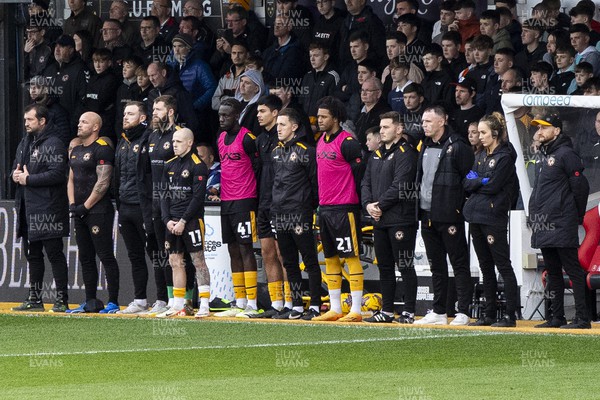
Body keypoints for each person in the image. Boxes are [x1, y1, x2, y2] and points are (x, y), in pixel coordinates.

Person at [529, 113, 591, 329]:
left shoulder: (566, 154)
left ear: (557, 131)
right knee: (553, 271)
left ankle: (583, 318)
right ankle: (557, 317)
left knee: (572, 269)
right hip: (544, 223)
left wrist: (576, 215)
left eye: (544, 128)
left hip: (561, 221)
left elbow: (581, 187)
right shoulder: (543, 157)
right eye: (538, 129)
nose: (539, 132)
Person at [414, 106, 474, 325]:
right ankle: (439, 311)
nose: (424, 125)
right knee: (436, 265)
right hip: (427, 214)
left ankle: (463, 311)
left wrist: (460, 207)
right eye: (423, 122)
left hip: (450, 216)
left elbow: (470, 178)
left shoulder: (458, 146)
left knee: (459, 263)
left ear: (442, 121)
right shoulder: (425, 145)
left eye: (428, 121)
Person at [11, 104, 70, 313]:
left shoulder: (54, 144)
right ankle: (35, 298)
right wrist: (16, 176)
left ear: (42, 121)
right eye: (25, 120)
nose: (26, 123)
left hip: (48, 208)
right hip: (27, 207)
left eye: (30, 120)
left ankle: (61, 299)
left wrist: (29, 179)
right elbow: (16, 168)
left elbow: (58, 174)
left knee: (54, 254)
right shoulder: (24, 142)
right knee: (33, 255)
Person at [312, 96, 365, 322]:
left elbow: (361, 171)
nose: (319, 120)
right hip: (325, 207)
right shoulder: (321, 141)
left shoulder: (348, 142)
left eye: (324, 117)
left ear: (336, 118)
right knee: (331, 257)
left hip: (345, 208)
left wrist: (351, 194)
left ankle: (356, 310)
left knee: (351, 256)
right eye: (319, 116)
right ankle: (335, 308)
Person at [463, 113, 519, 327]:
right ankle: (489, 314)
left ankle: (509, 316)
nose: (479, 136)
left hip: (493, 217)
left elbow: (494, 186)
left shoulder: (504, 157)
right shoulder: (479, 155)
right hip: (475, 216)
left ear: (495, 133)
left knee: (503, 265)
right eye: (478, 132)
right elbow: (465, 182)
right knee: (485, 267)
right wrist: (481, 180)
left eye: (483, 132)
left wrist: (478, 181)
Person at [362, 111, 418, 323]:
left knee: (404, 265)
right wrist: (368, 205)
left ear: (399, 129)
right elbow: (365, 182)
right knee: (384, 266)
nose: (382, 131)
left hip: (400, 219)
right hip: (379, 219)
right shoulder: (375, 154)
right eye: (381, 127)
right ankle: (386, 311)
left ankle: (409, 311)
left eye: (386, 127)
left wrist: (379, 205)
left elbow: (401, 185)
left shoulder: (407, 153)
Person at [114, 101, 167, 315]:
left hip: (143, 206)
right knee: (135, 256)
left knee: (156, 255)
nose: (125, 117)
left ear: (142, 118)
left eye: (131, 114)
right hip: (124, 205)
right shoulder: (123, 141)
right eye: (125, 113)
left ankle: (163, 299)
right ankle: (139, 299)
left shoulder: (148, 139)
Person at [66, 112, 120, 314]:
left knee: (105, 254)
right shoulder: (76, 150)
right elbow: (71, 178)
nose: (79, 125)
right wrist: (73, 205)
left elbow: (103, 182)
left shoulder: (102, 149)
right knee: (85, 257)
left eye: (84, 122)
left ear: (96, 127)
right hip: (78, 211)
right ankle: (90, 301)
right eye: (79, 121)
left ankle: (113, 301)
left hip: (98, 211)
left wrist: (85, 206)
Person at [271, 108, 322, 320]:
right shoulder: (276, 151)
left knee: (310, 261)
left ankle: (316, 306)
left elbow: (315, 184)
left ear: (295, 127)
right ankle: (298, 305)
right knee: (289, 262)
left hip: (300, 214)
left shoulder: (306, 151)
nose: (278, 128)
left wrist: (311, 209)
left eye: (283, 125)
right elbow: (273, 184)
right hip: (279, 214)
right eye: (277, 125)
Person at [214, 99, 261, 318]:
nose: (222, 119)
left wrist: (257, 199)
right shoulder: (221, 138)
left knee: (245, 248)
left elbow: (258, 169)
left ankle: (252, 302)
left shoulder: (248, 138)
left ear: (237, 116)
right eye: (220, 115)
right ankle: (239, 301)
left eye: (226, 115)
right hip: (226, 200)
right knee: (232, 249)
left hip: (245, 199)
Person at [159, 128, 211, 318]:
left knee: (198, 260)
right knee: (175, 261)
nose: (174, 145)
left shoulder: (198, 165)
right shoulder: (169, 164)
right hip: (172, 222)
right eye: (173, 141)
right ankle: (178, 304)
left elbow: (198, 197)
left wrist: (183, 220)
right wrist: (167, 221)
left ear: (190, 143)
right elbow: (163, 195)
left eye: (179, 141)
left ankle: (204, 304)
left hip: (191, 222)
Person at [251, 95, 289, 319]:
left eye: (263, 111)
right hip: (262, 202)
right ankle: (276, 302)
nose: (259, 115)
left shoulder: (284, 138)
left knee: (283, 253)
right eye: (257, 111)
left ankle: (290, 303)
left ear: (275, 113)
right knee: (267, 253)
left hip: (280, 203)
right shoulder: (260, 140)